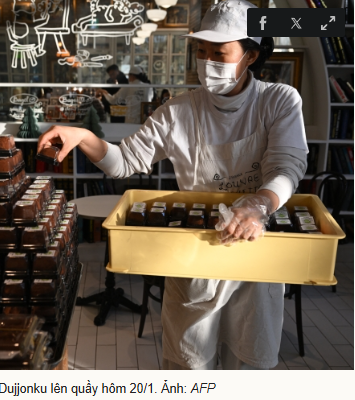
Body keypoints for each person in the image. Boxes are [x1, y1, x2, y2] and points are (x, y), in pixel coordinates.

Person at [38, 0, 308, 370]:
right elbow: (124, 162)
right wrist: (84, 136)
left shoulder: (277, 101)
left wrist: (258, 204)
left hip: (254, 256)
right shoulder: (179, 111)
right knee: (188, 368)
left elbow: (287, 165)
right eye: (202, 50)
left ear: (251, 55)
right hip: (194, 256)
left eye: (219, 52)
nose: (207, 61)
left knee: (246, 368)